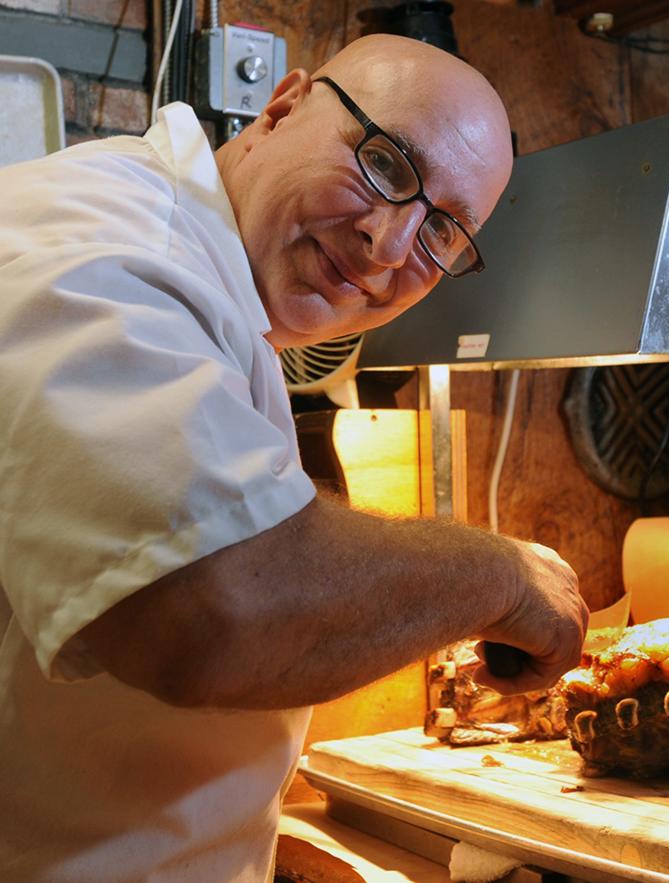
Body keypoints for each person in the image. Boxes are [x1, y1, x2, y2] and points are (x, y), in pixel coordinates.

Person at [0, 33, 588, 883]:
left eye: (444, 232)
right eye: (385, 165)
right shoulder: (107, 250)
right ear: (280, 106)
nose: (389, 246)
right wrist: (502, 579)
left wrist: (268, 846)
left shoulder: (222, 294)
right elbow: (213, 608)